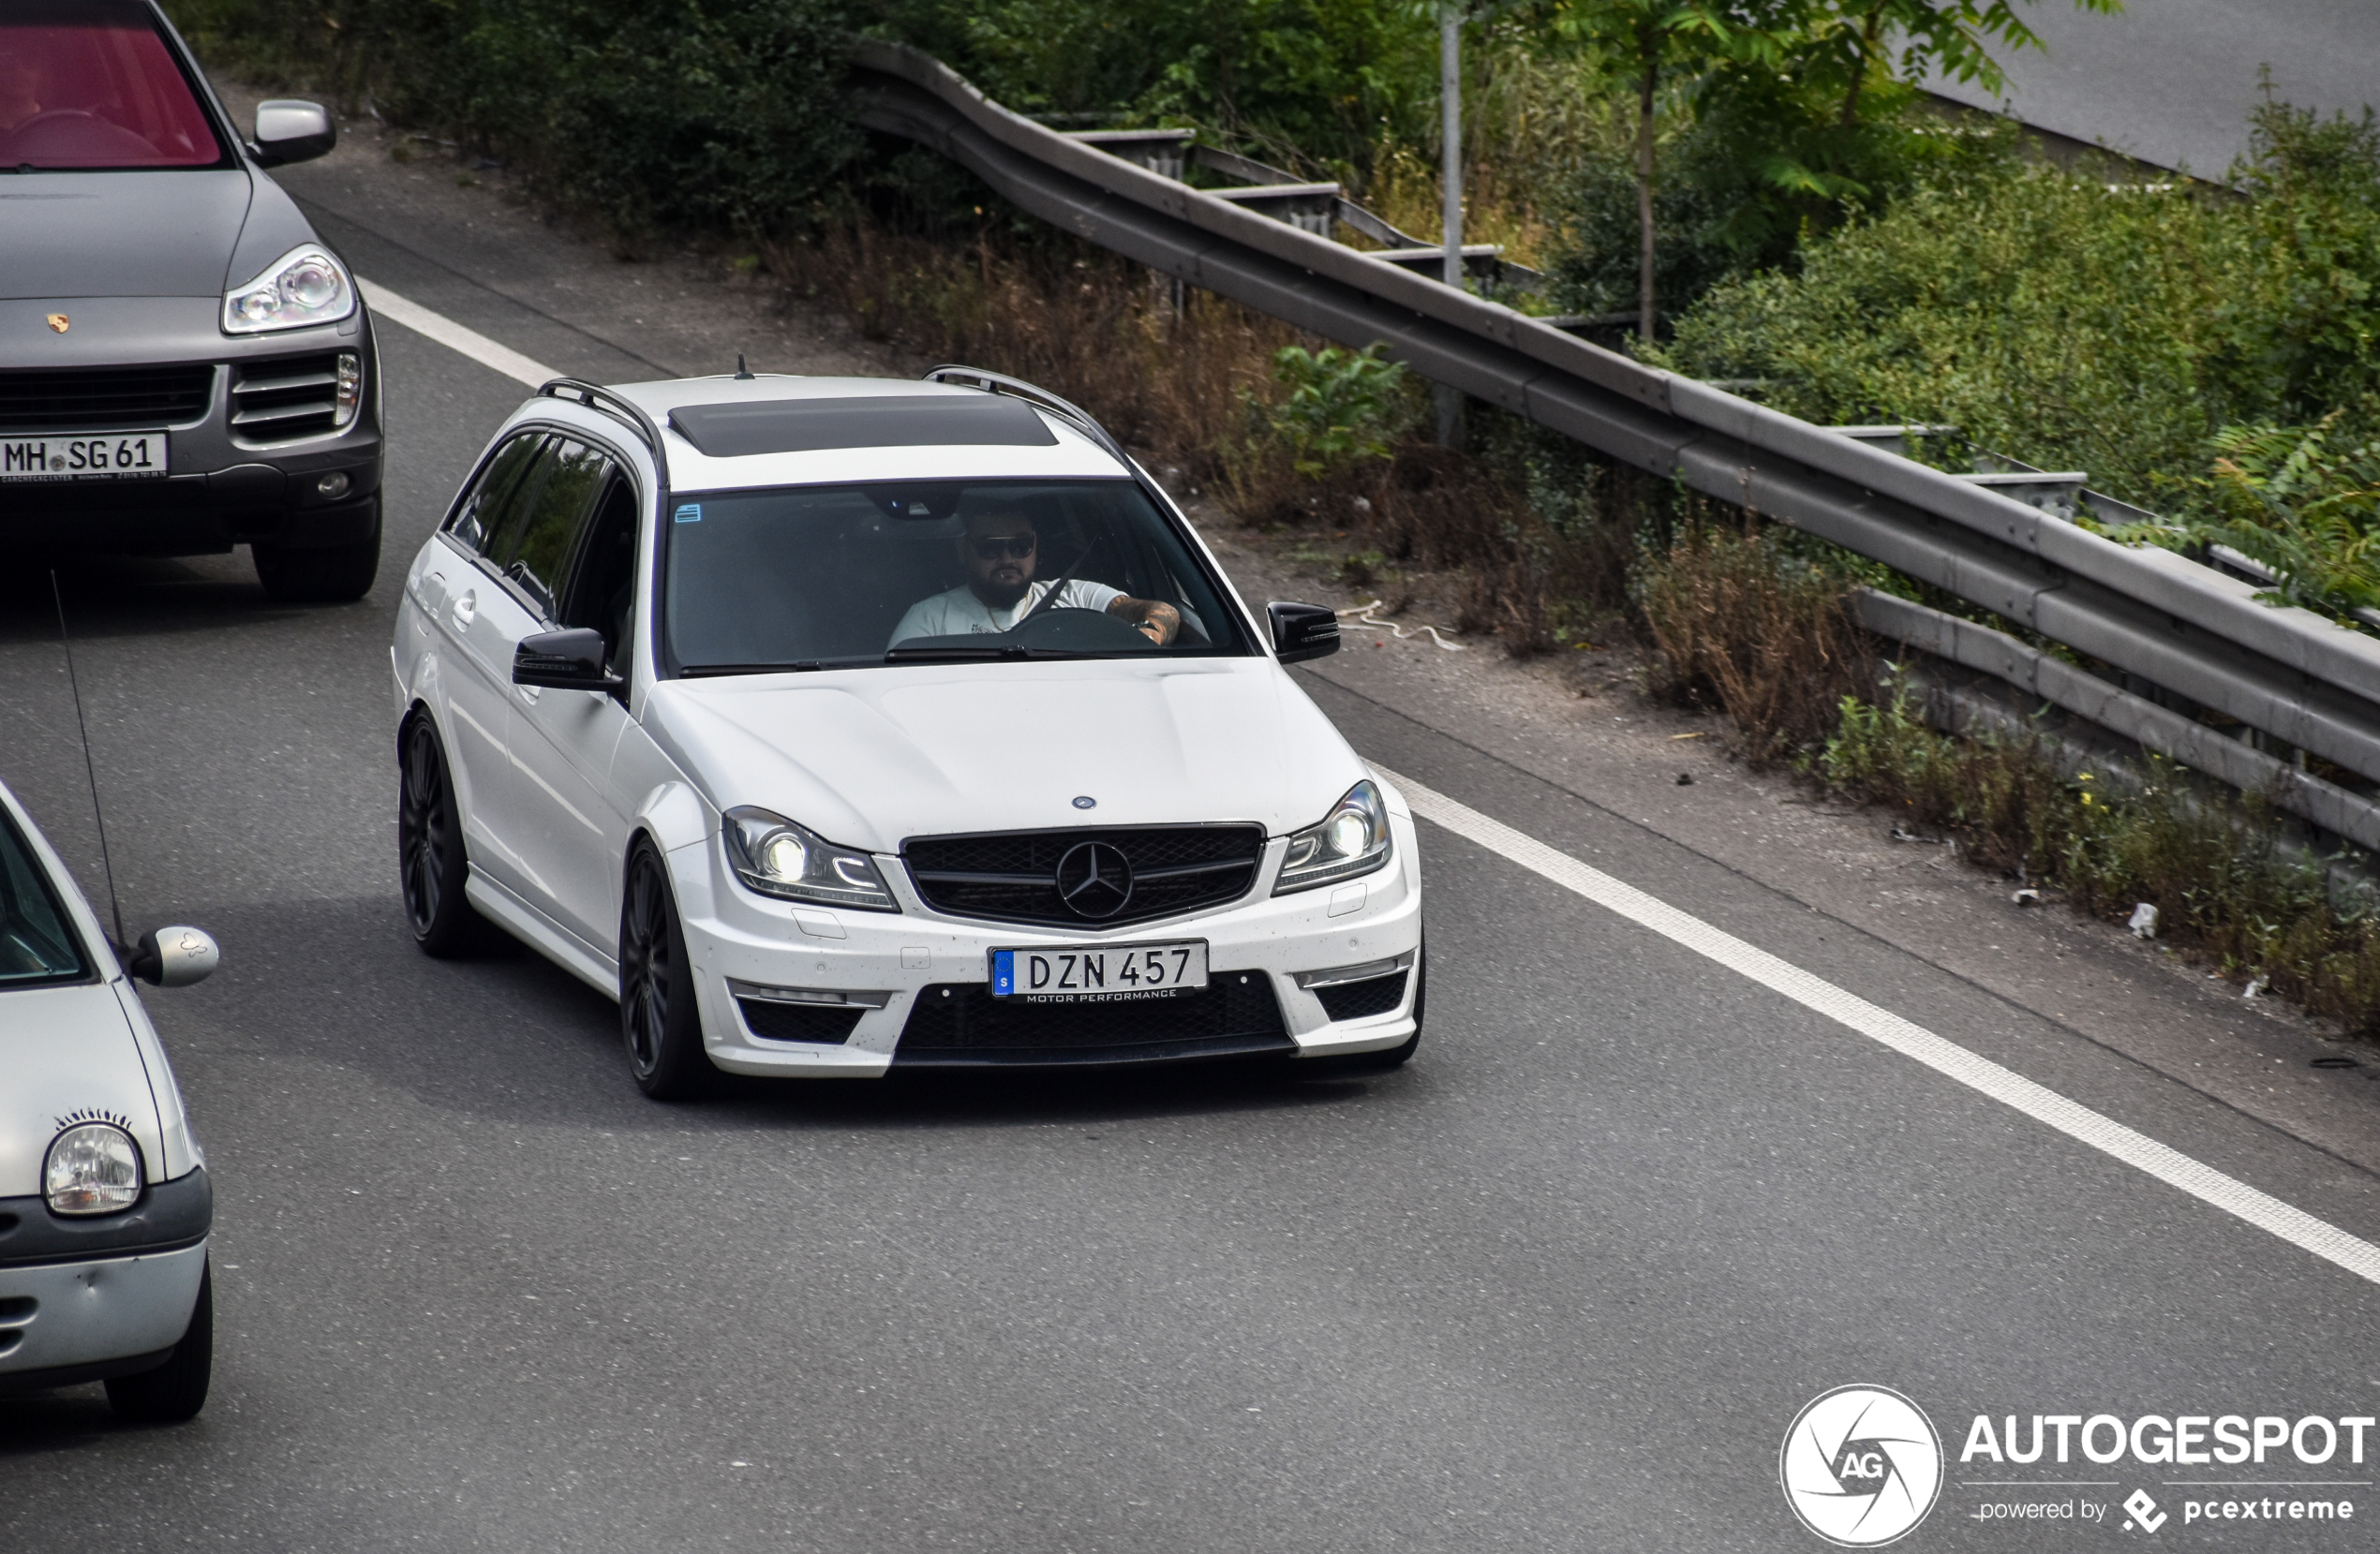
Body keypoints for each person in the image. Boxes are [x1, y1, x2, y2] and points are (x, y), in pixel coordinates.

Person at [888, 507, 1181, 648]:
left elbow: (1163, 612)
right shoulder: (928, 619)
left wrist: (1147, 636)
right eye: (991, 546)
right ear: (963, 550)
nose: (1007, 558)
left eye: (1019, 546)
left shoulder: (1077, 596)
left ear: (1035, 545)